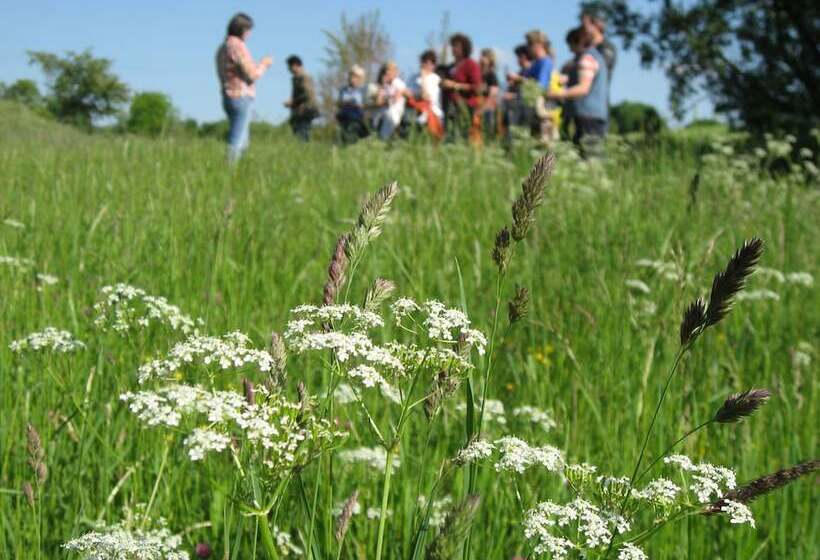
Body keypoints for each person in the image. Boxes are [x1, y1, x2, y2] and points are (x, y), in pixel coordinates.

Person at [215, 12, 272, 163]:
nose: (249, 34)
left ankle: (237, 170)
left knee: (243, 142)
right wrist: (264, 64)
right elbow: (251, 75)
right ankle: (229, 171)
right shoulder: (237, 46)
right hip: (240, 97)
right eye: (248, 30)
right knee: (238, 140)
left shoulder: (222, 47)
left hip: (228, 97)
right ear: (242, 29)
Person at [548, 27, 609, 159]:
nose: (570, 50)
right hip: (595, 114)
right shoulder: (596, 57)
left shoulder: (586, 59)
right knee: (590, 155)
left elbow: (583, 88)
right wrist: (567, 80)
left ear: (578, 42)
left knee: (588, 157)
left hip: (586, 115)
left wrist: (555, 94)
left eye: (570, 45)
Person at [441, 33, 483, 142]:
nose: (453, 49)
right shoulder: (450, 67)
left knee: (464, 135)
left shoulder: (471, 64)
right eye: (452, 46)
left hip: (465, 106)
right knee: (450, 134)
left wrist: (455, 85)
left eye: (456, 46)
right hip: (449, 106)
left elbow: (477, 87)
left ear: (464, 48)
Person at [405, 50, 444, 140]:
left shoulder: (435, 79)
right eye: (424, 62)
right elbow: (406, 92)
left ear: (433, 66)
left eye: (430, 63)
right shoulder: (413, 77)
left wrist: (423, 78)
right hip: (413, 108)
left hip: (431, 111)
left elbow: (426, 97)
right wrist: (414, 95)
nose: (426, 65)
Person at [284, 55, 318, 142]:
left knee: (302, 134)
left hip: (305, 110)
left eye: (289, 66)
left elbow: (307, 94)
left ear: (295, 65)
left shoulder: (304, 77)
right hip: (299, 111)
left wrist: (293, 102)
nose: (288, 69)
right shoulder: (296, 78)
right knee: (298, 133)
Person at [373, 62, 407, 141]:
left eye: (391, 70)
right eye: (387, 70)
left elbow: (394, 100)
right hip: (383, 111)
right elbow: (378, 102)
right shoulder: (383, 85)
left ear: (396, 72)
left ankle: (383, 140)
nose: (388, 72)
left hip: (395, 111)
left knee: (390, 116)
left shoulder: (399, 83)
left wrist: (385, 100)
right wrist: (382, 86)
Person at [336, 65, 368, 144]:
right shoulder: (343, 90)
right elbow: (339, 103)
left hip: (356, 117)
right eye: (351, 76)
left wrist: (356, 105)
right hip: (344, 116)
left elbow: (365, 105)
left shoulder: (363, 90)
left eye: (356, 77)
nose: (353, 79)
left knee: (352, 131)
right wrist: (346, 103)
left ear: (360, 79)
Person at [581, 9, 617, 80]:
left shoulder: (607, 47)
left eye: (587, 24)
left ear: (596, 24)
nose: (583, 28)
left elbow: (600, 66)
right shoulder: (585, 47)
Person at [479, 48, 500, 139]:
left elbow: (493, 95)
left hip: (488, 108)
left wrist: (483, 109)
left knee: (488, 132)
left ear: (490, 59)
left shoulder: (492, 75)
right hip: (478, 105)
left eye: (484, 56)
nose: (481, 58)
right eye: (481, 56)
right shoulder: (478, 73)